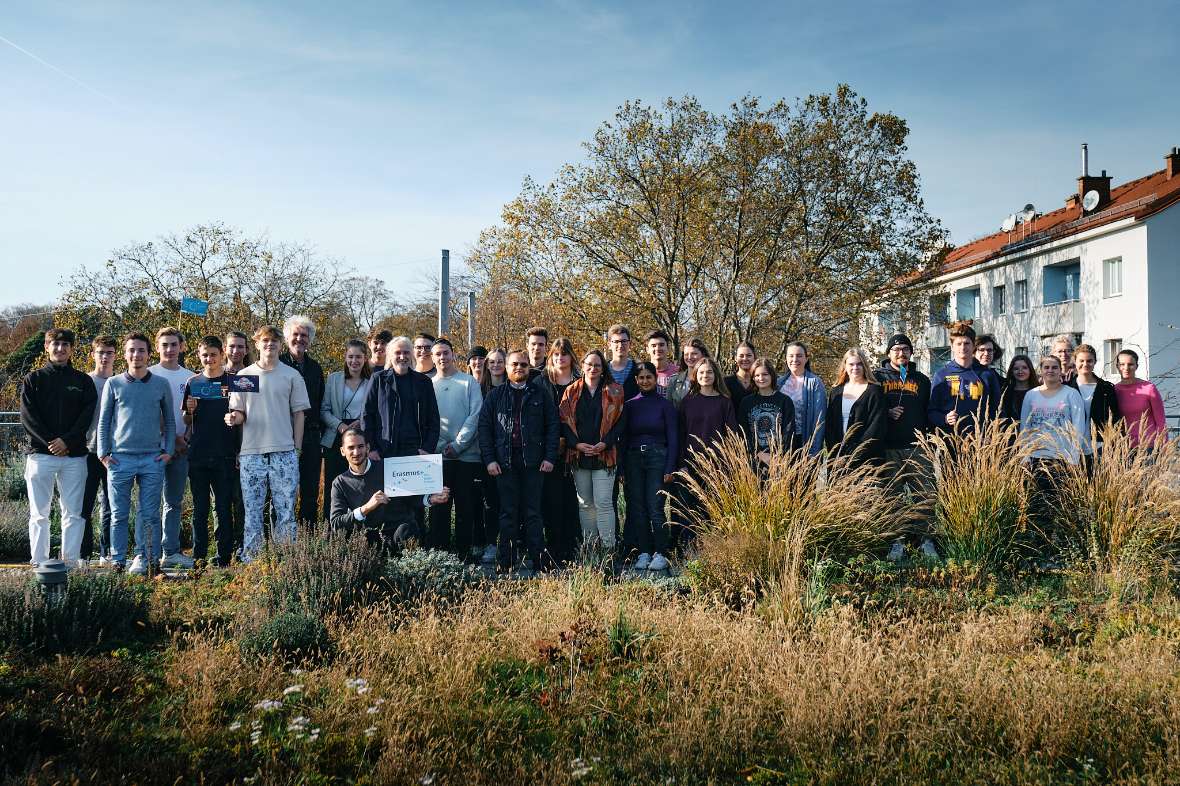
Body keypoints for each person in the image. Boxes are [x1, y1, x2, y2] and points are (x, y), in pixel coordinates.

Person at [227, 325, 310, 561]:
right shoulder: (244, 376)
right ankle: (252, 560)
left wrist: (297, 448)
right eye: (265, 340)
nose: (269, 344)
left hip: (284, 452)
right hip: (251, 454)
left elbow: (299, 415)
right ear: (257, 344)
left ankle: (285, 559)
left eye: (274, 341)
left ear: (280, 345)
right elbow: (240, 412)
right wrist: (234, 417)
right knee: (252, 512)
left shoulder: (292, 376)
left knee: (285, 512)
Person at [97, 332, 175, 574]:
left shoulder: (161, 384)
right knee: (119, 514)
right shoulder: (114, 383)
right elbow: (104, 421)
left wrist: (168, 451)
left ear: (149, 354)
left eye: (141, 350)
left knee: (149, 514)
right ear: (125, 354)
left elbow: (170, 422)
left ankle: (147, 559)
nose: (136, 355)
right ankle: (118, 560)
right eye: (132, 350)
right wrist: (103, 453)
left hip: (152, 459)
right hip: (120, 460)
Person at [21, 328, 97, 567]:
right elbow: (28, 417)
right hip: (40, 457)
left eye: (65, 344)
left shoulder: (83, 381)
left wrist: (67, 441)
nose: (60, 348)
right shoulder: (33, 379)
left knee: (73, 513)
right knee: (39, 513)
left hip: (75, 457)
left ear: (72, 349)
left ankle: (70, 562)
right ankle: (39, 561)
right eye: (55, 344)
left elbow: (86, 417)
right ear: (47, 347)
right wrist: (51, 442)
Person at [477, 349, 558, 572]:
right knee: (508, 513)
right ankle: (506, 562)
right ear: (507, 367)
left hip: (534, 463)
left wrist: (550, 457)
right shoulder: (495, 396)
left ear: (528, 368)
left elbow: (552, 427)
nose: (519, 368)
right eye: (515, 364)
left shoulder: (540, 394)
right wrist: (490, 460)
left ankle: (539, 562)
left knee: (533, 513)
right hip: (504, 464)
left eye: (523, 364)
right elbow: (484, 429)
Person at [328, 428, 449, 550]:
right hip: (366, 538)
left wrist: (431, 498)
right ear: (342, 451)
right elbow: (336, 523)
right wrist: (366, 508)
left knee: (407, 529)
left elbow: (410, 497)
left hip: (397, 532)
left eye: (360, 446)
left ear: (368, 448)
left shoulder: (388, 468)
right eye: (351, 447)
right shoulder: (340, 483)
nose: (356, 452)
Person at [559, 349, 626, 557]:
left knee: (604, 503)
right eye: (589, 364)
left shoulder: (615, 391)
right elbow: (563, 422)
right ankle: (591, 550)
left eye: (597, 365)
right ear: (582, 365)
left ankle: (608, 550)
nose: (593, 368)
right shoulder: (571, 391)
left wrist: (605, 443)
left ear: (603, 368)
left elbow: (621, 422)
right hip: (579, 455)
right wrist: (576, 445)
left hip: (605, 455)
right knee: (585, 504)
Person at [181, 336, 240, 567]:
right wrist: (189, 410)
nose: (209, 359)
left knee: (224, 507)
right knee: (200, 508)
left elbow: (243, 417)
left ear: (222, 354)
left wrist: (238, 450)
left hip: (225, 454)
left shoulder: (234, 381)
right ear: (199, 355)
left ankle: (224, 556)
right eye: (205, 355)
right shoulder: (192, 382)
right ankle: (199, 557)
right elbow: (186, 419)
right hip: (198, 454)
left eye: (213, 354)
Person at [428, 337, 483, 554]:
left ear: (453, 355)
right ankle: (440, 555)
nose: (442, 357)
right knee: (439, 508)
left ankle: (464, 554)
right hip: (438, 458)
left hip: (466, 457)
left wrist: (458, 445)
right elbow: (428, 421)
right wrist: (441, 446)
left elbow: (475, 416)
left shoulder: (469, 382)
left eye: (446, 353)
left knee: (465, 508)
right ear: (432, 358)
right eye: (438, 354)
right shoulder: (428, 385)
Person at [620, 362, 677, 571]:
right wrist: (622, 469)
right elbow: (623, 438)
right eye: (641, 378)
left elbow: (673, 439)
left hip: (658, 458)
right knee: (637, 508)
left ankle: (661, 552)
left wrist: (669, 468)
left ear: (655, 379)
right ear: (636, 380)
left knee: (655, 508)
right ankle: (644, 552)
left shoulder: (665, 405)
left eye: (649, 377)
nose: (645, 381)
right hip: (633, 459)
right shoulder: (630, 405)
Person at [676, 357, 738, 544]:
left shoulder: (724, 402)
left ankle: (710, 549)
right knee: (688, 509)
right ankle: (687, 550)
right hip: (690, 463)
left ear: (716, 375)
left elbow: (732, 434)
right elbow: (680, 434)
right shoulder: (687, 401)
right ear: (695, 375)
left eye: (709, 372)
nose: (705, 375)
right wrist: (681, 463)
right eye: (701, 372)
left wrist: (727, 464)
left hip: (716, 465)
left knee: (711, 508)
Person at [148, 327, 196, 568]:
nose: (169, 349)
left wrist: (184, 437)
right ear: (157, 347)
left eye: (174, 345)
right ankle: (149, 552)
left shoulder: (191, 378)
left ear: (182, 347)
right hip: (153, 450)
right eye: (165, 345)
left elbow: (194, 413)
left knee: (174, 502)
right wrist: (170, 438)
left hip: (182, 450)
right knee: (150, 503)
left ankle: (171, 551)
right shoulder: (148, 374)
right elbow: (148, 413)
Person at [363, 336, 440, 460]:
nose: (402, 357)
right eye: (397, 353)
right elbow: (367, 416)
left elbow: (433, 420)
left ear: (411, 355)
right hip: (383, 452)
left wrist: (427, 449)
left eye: (406, 352)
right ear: (390, 356)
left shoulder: (424, 382)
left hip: (416, 453)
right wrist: (371, 448)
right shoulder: (378, 380)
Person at [538, 338, 580, 566]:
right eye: (555, 354)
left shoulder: (580, 381)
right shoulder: (541, 381)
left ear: (571, 356)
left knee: (573, 501)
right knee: (552, 501)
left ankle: (574, 548)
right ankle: (554, 548)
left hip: (576, 448)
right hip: (550, 450)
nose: (560, 358)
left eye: (564, 354)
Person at [320, 339, 373, 520]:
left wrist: (360, 422)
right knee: (333, 484)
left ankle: (359, 527)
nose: (354, 361)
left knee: (359, 484)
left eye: (358, 357)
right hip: (336, 436)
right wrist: (341, 426)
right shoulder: (334, 379)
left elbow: (375, 411)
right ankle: (331, 526)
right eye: (350, 356)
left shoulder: (372, 381)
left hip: (361, 435)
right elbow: (324, 410)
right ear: (345, 357)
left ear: (365, 358)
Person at [280, 315, 325, 524]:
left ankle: (307, 537)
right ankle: (281, 538)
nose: (300, 339)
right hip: (283, 436)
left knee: (309, 491)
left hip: (311, 437)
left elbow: (319, 403)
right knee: (282, 491)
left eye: (304, 335)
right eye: (295, 334)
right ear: (287, 337)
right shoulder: (277, 364)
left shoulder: (315, 368)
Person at [928, 322, 1001, 433]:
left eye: (967, 343)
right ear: (952, 347)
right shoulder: (941, 375)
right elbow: (931, 411)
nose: (963, 347)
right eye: (959, 344)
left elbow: (997, 409)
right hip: (951, 442)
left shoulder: (986, 375)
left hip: (982, 443)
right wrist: (945, 418)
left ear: (973, 346)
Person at [81, 335, 116, 563]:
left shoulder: (121, 382)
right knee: (84, 505)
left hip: (113, 454)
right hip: (86, 451)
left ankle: (108, 552)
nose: (104, 357)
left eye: (109, 352)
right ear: (93, 354)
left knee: (111, 507)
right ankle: (82, 554)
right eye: (101, 352)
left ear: (115, 355)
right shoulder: (85, 382)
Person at [825, 348, 886, 468]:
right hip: (838, 460)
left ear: (864, 366)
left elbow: (876, 427)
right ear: (845, 366)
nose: (855, 368)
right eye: (851, 364)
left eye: (859, 364)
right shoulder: (836, 391)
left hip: (866, 460)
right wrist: (836, 453)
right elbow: (829, 425)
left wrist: (853, 455)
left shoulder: (875, 391)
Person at [1067, 343, 1121, 467]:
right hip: (1072, 446)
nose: (1085, 364)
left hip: (1099, 447)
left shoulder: (1106, 388)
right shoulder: (1066, 388)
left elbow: (1115, 418)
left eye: (1089, 361)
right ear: (1075, 361)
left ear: (1095, 362)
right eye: (1081, 360)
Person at [737, 358, 796, 469]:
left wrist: (778, 456)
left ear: (772, 376)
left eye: (765, 374)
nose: (761, 378)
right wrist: (759, 454)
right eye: (757, 375)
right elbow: (743, 432)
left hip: (779, 461)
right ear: (753, 378)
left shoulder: (784, 401)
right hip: (753, 461)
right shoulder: (746, 402)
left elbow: (788, 432)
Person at [223, 330, 250, 554]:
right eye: (232, 346)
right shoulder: (215, 375)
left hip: (246, 445)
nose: (236, 350)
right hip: (219, 446)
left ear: (247, 349)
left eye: (240, 346)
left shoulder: (250, 376)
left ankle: (242, 544)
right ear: (225, 349)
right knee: (221, 502)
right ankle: (224, 545)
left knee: (243, 500)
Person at [777, 341, 826, 457]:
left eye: (799, 356)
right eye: (791, 356)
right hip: (782, 443)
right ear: (786, 359)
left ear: (806, 359)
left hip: (804, 442)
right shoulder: (779, 384)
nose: (795, 359)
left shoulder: (815, 383)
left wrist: (813, 452)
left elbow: (819, 420)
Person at [1113, 349, 1167, 448]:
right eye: (1122, 364)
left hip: (1149, 446)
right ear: (1117, 366)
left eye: (1130, 364)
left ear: (1136, 366)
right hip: (1123, 447)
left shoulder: (1149, 388)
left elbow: (1161, 420)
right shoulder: (1113, 390)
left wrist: (1164, 446)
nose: (1126, 368)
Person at [668, 338, 710, 409]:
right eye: (686, 354)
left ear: (703, 354)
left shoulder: (711, 378)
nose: (689, 357)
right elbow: (668, 408)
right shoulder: (674, 380)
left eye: (694, 354)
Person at [1000, 355, 1039, 425]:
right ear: (1012, 371)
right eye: (1016, 369)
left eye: (1024, 368)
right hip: (1011, 433)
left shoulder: (1039, 392)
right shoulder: (1005, 393)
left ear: (1030, 370)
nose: (1020, 371)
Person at [605, 324, 640, 399]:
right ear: (609, 345)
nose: (620, 345)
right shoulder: (603, 371)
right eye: (616, 341)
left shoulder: (638, 369)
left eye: (624, 341)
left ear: (630, 344)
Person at [644, 329, 679, 394]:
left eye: (661, 345)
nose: (657, 348)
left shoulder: (679, 372)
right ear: (647, 349)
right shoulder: (641, 374)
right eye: (653, 346)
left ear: (668, 347)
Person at [723, 341, 757, 409]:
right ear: (735, 358)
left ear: (754, 357)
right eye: (741, 356)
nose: (745, 358)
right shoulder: (726, 382)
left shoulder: (760, 382)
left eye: (749, 355)